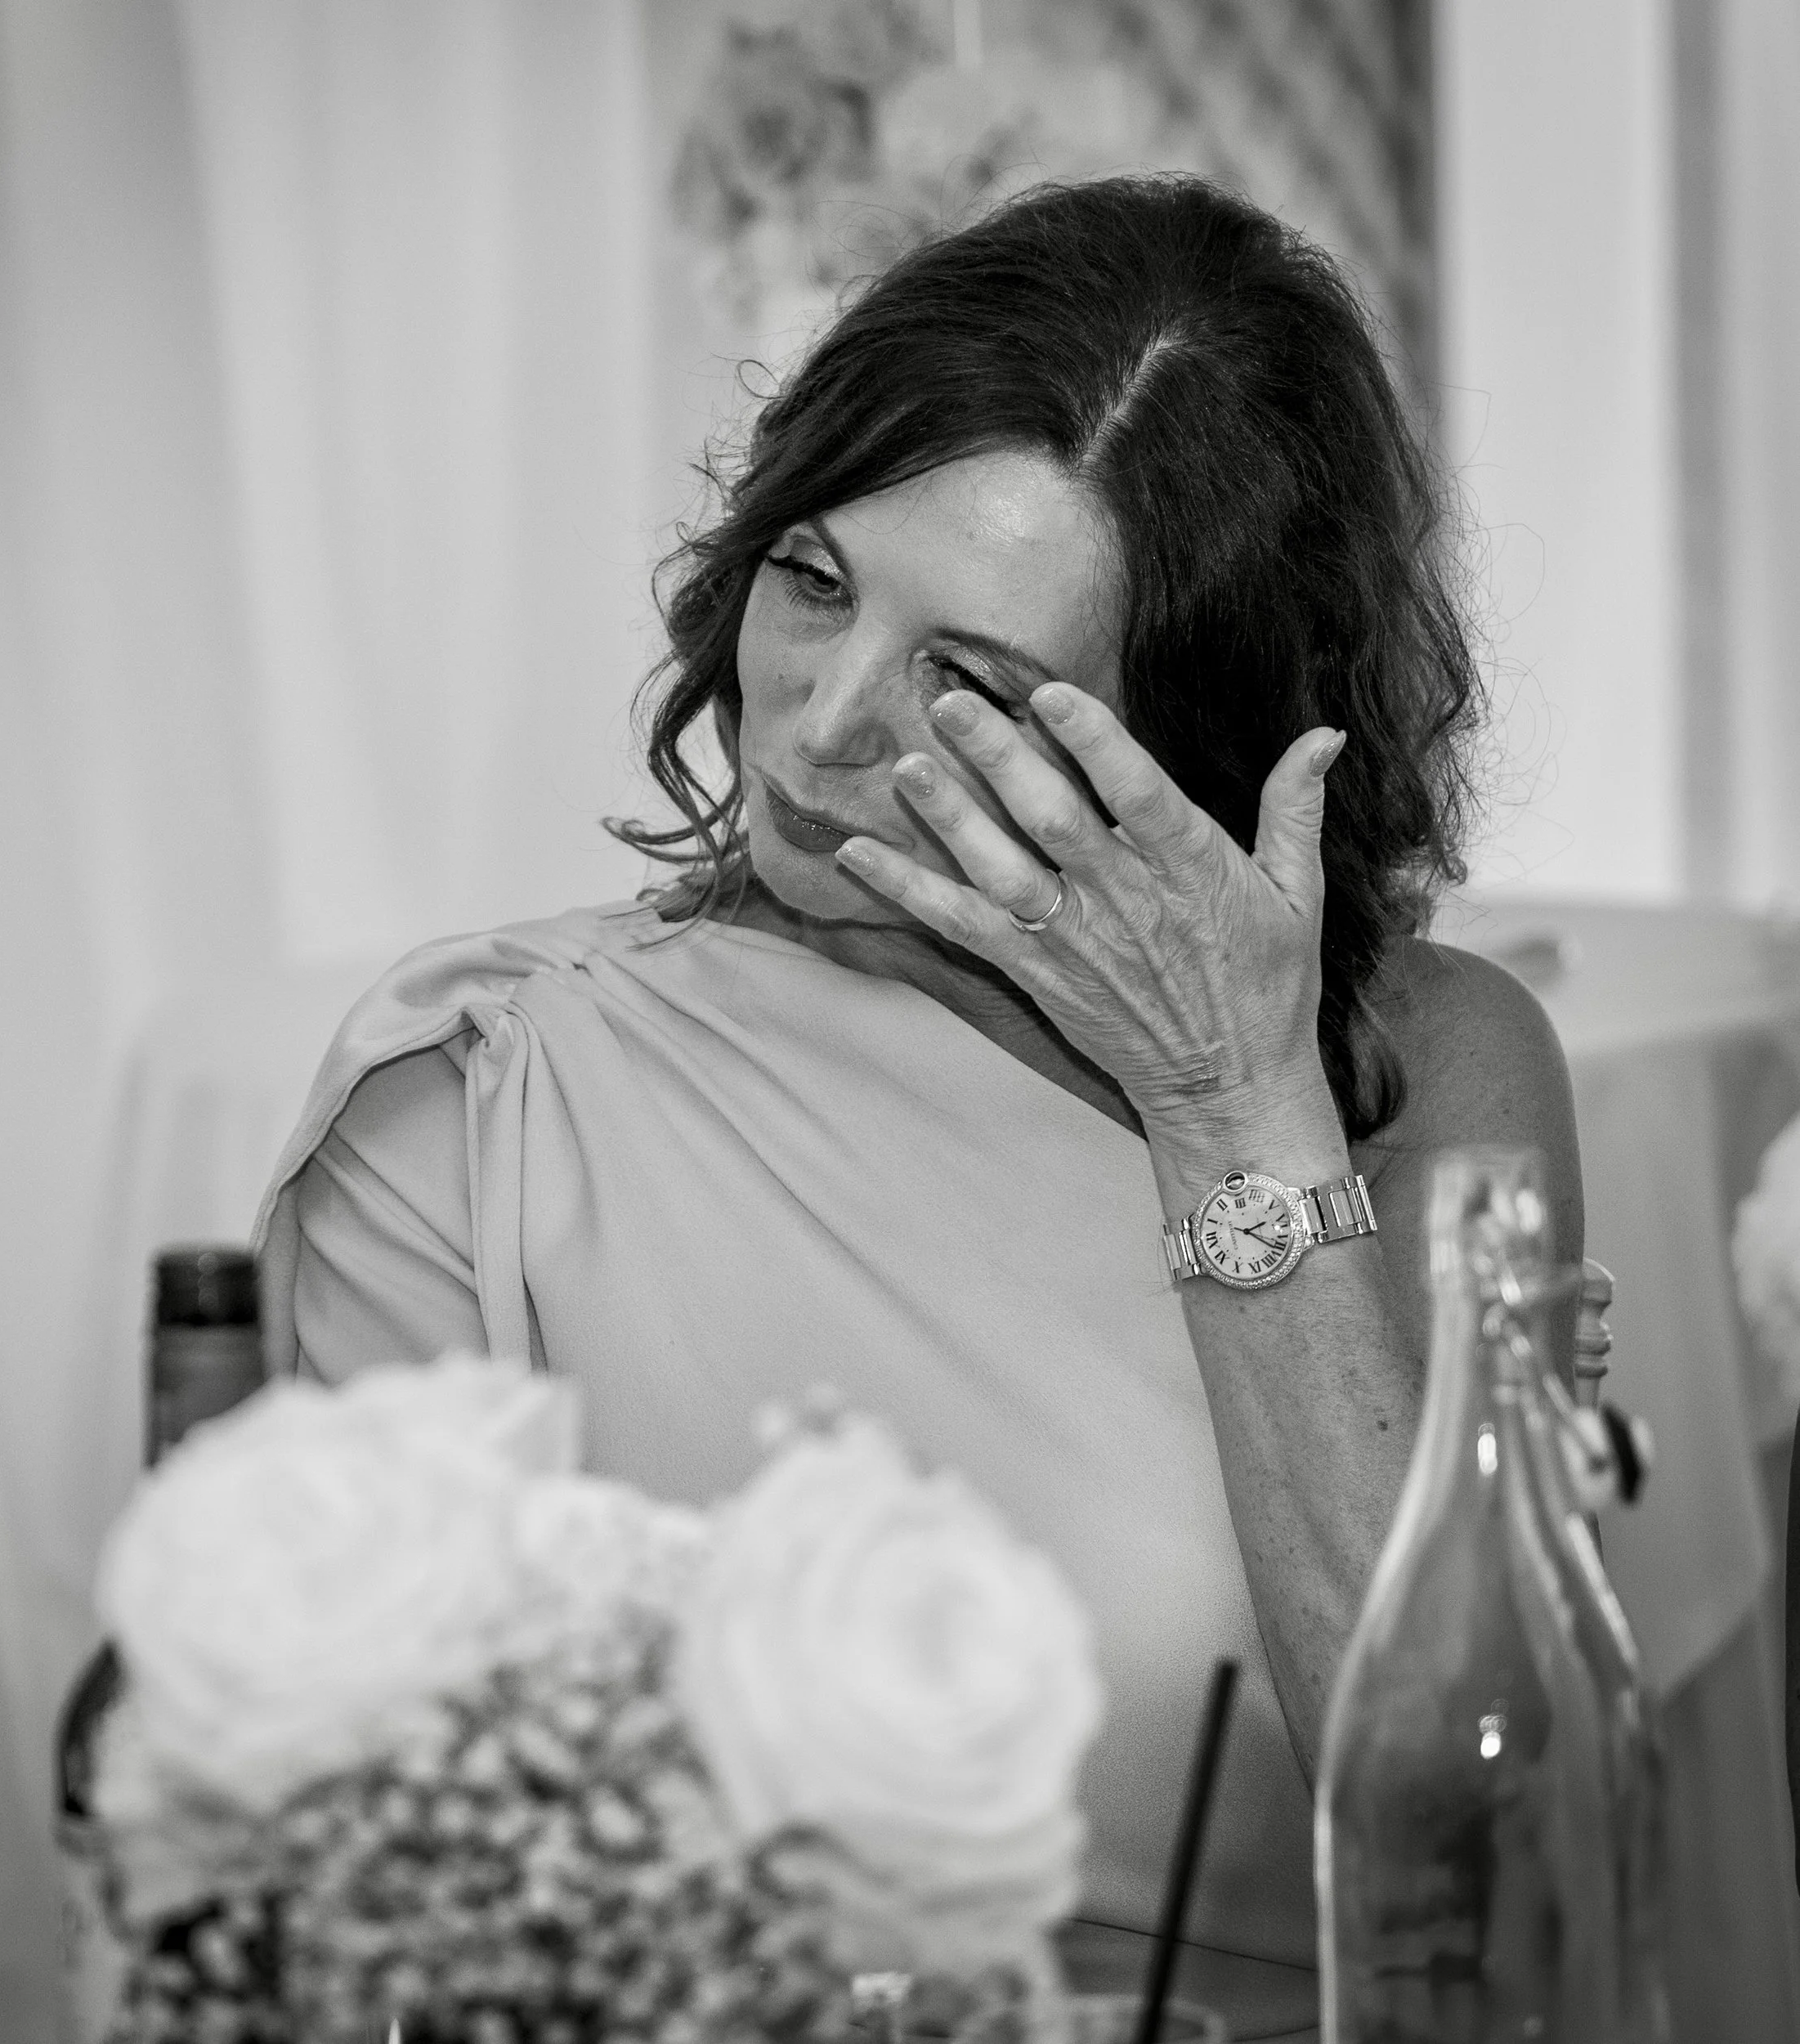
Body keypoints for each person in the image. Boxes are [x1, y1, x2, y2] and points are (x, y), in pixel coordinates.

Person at [253, 176, 1580, 2042]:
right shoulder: (478, 1101)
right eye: (812, 582)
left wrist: (1231, 1106)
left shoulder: (1421, 1065)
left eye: (965, 679)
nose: (813, 725)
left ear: (1179, 743)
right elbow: (391, 1920)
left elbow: (1483, 1859)